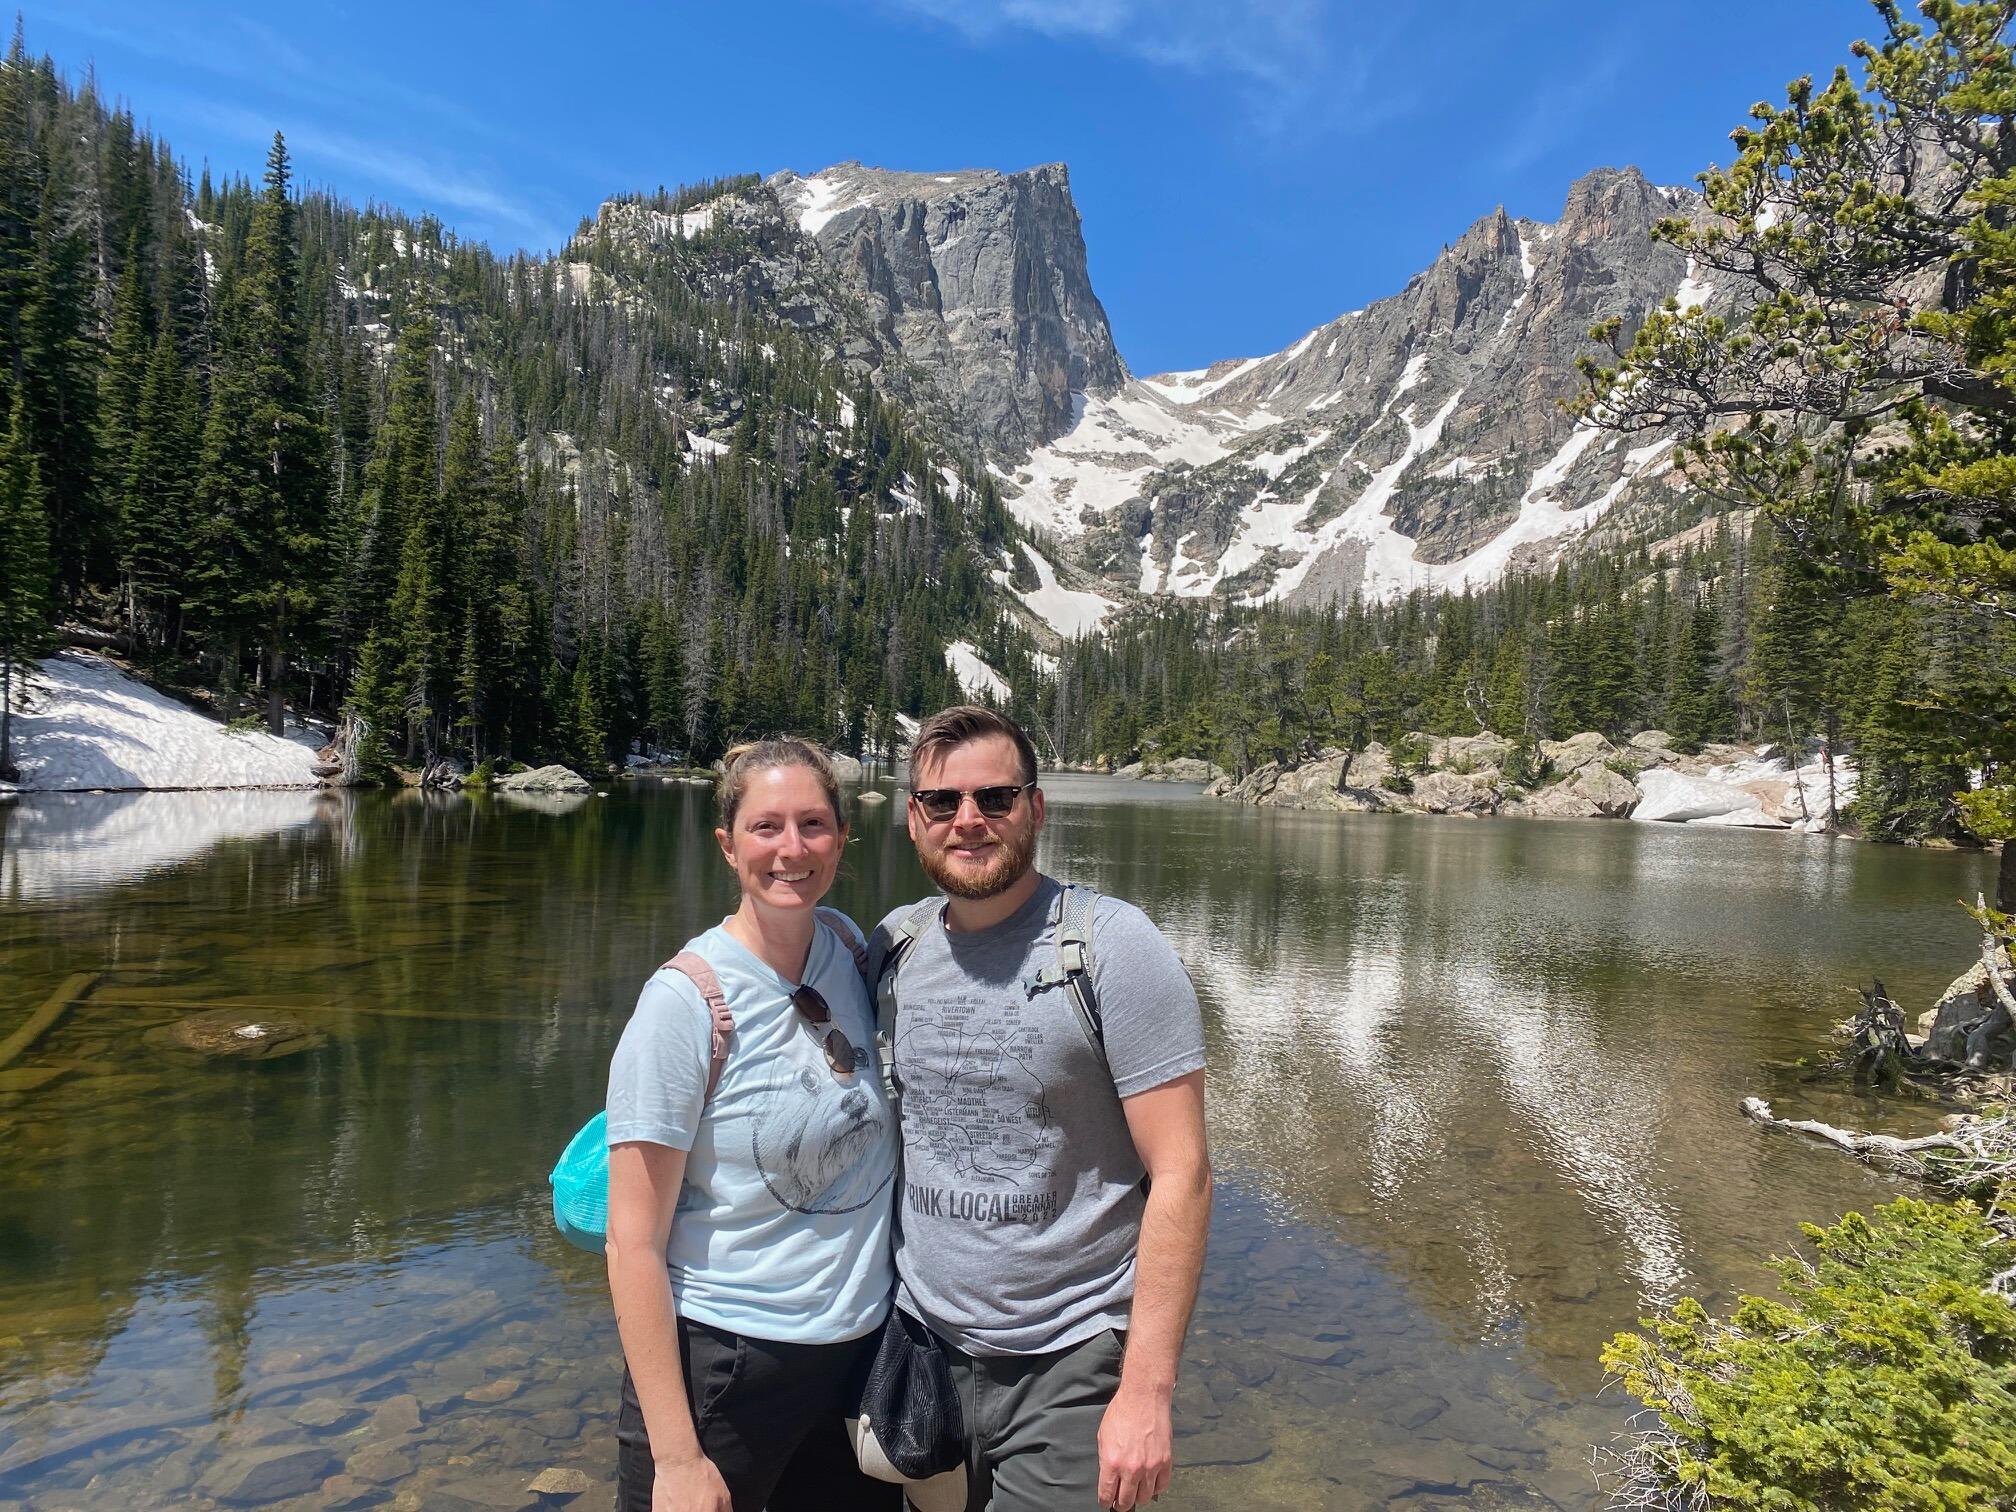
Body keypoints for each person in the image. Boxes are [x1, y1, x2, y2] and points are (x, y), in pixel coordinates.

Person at [870, 706, 1213, 1512]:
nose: (969, 822)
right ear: (913, 818)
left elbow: (1184, 1173)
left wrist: (1147, 1392)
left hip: (1071, 1366)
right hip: (920, 1351)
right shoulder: (893, 946)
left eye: (996, 798)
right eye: (941, 803)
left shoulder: (1110, 945)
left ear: (1036, 808)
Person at [604, 739, 899, 1512]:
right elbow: (631, 1242)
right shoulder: (685, 1002)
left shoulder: (846, 945)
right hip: (725, 1365)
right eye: (766, 827)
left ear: (842, 836)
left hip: (858, 1361)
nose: (791, 850)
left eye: (813, 824)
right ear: (727, 844)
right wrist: (675, 1457)